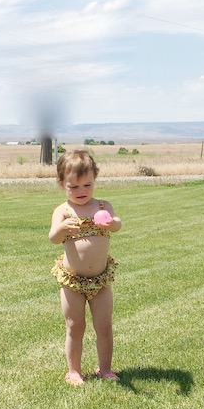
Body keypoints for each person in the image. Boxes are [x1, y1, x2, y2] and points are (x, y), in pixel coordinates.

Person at [49, 149, 122, 386]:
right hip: (73, 282)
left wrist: (112, 222)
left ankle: (106, 368)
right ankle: (74, 371)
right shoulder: (63, 211)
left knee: (104, 326)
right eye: (74, 187)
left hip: (100, 280)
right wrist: (61, 229)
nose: (81, 191)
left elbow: (117, 224)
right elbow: (53, 238)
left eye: (87, 185)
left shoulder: (103, 206)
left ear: (95, 180)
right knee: (75, 326)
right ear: (62, 184)